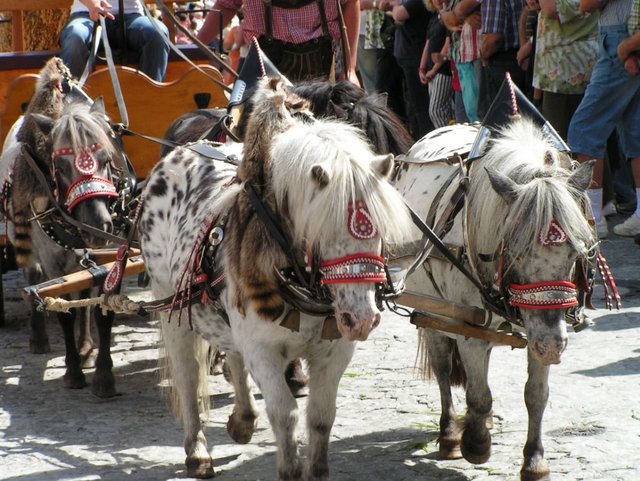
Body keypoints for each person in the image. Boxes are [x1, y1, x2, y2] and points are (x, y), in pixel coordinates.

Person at [567, 0, 640, 238]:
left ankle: (592, 218)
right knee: (634, 131)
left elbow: (586, 4)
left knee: (585, 129)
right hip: (624, 34)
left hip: (621, 37)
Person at [197, 0, 361, 83]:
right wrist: (196, 47)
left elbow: (350, 2)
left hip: (323, 71)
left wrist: (350, 69)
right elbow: (227, 4)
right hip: (263, 70)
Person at [60, 0, 170, 82]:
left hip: (131, 17)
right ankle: (68, 102)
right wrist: (92, 4)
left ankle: (151, 101)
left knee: (157, 33)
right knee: (75, 37)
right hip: (87, 14)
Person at [477, 0, 527, 118]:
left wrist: (483, 55)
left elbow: (494, 38)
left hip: (502, 63)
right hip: (521, 59)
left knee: (496, 122)